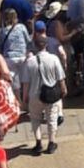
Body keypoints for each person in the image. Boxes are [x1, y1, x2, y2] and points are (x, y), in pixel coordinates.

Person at [21, 27, 66, 155]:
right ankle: (51, 143)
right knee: (52, 119)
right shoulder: (54, 59)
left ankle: (38, 142)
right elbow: (60, 77)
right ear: (46, 45)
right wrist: (63, 89)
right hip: (51, 94)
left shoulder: (29, 62)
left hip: (34, 95)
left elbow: (25, 83)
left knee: (35, 119)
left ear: (35, 46)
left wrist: (25, 97)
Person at [0, 7, 30, 94]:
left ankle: (18, 98)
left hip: (9, 58)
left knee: (14, 80)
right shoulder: (22, 27)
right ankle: (25, 96)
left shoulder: (1, 31)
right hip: (22, 56)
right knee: (24, 77)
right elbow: (28, 41)